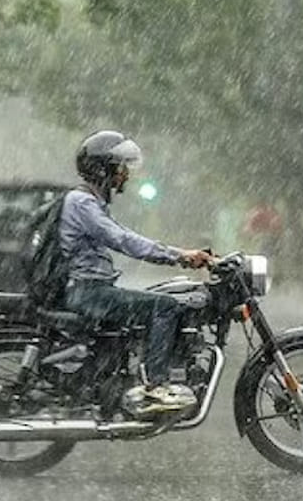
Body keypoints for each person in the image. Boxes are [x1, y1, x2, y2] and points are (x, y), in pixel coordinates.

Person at [59, 130, 214, 414]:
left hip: (91, 288)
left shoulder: (91, 202)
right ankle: (155, 387)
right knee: (164, 307)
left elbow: (122, 234)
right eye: (121, 168)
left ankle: (135, 378)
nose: (125, 175)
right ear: (103, 168)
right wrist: (177, 256)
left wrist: (178, 254)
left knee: (158, 301)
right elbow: (121, 239)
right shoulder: (81, 203)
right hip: (87, 292)